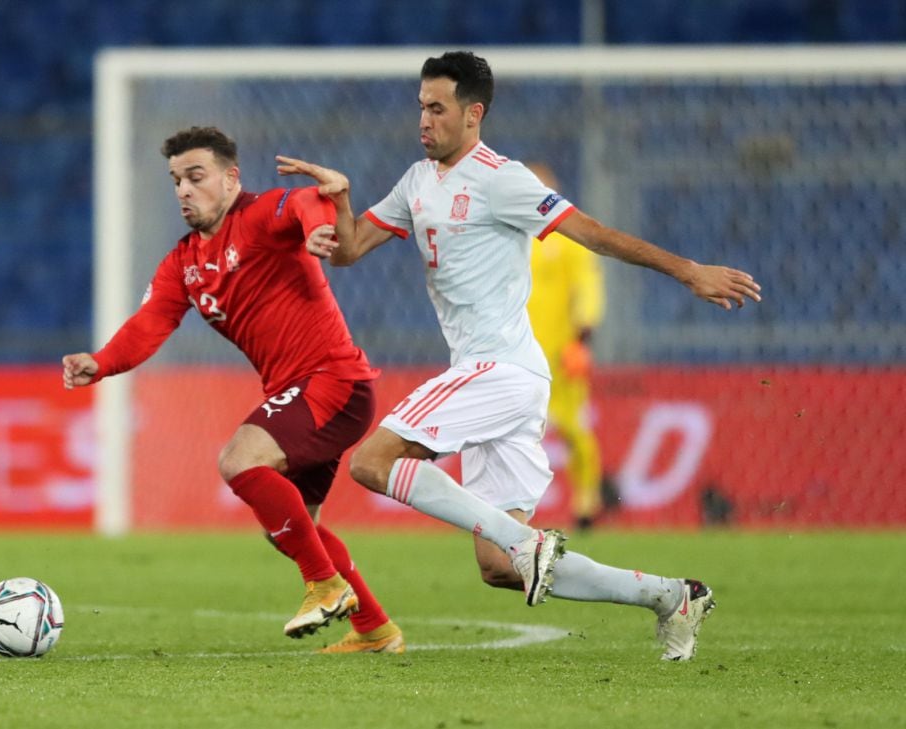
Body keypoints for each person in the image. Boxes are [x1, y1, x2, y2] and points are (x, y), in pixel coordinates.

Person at [276, 51, 761, 661]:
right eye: (420, 107)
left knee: (371, 462)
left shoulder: (502, 178)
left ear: (473, 114)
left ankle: (528, 543)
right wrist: (338, 203)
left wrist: (688, 271)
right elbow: (348, 251)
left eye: (437, 108)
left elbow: (593, 233)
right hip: (500, 379)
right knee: (499, 566)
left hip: (499, 367)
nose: (423, 120)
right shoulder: (416, 181)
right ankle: (671, 597)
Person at [63, 126, 403, 654]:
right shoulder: (184, 263)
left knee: (238, 460)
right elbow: (149, 324)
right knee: (291, 529)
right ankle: (376, 630)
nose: (183, 190)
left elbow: (307, 201)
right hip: (303, 392)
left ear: (230, 178)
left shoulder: (259, 216)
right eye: (176, 180)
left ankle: (325, 586)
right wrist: (101, 362)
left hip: (332, 381)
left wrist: (319, 229)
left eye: (196, 177)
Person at [525, 163, 607, 530]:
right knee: (518, 433)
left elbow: (587, 284)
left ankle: (587, 500)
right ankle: (512, 508)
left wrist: (584, 329)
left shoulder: (567, 238)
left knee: (574, 428)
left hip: (559, 352)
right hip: (517, 354)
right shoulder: (513, 237)